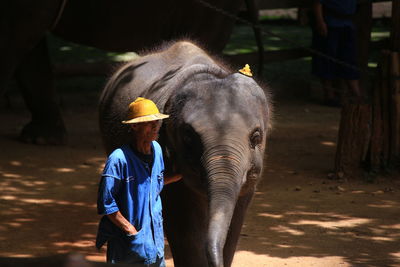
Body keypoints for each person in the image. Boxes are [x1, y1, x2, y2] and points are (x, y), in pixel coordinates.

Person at [96, 97, 182, 266]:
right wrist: (130, 230)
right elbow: (107, 203)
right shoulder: (118, 159)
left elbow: (152, 184)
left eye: (157, 122)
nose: (156, 126)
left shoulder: (157, 150)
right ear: (134, 126)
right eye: (150, 122)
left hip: (155, 243)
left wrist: (180, 176)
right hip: (127, 246)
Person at [311, 0, 362, 106]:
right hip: (330, 23)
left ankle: (356, 94)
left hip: (347, 24)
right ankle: (329, 96)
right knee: (327, 58)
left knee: (349, 59)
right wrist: (320, 21)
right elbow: (317, 2)